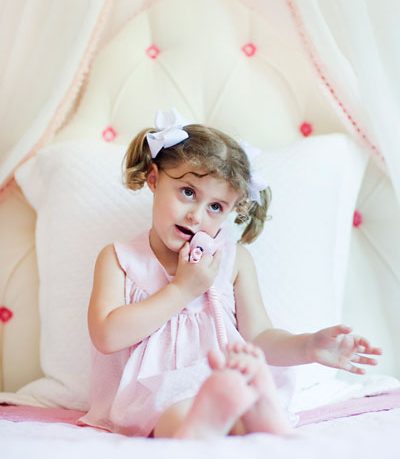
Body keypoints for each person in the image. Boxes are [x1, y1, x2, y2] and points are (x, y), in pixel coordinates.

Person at [78, 109, 382, 439]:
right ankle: (209, 421)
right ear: (154, 179)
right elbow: (107, 336)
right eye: (188, 192)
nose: (196, 216)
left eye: (216, 207)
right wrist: (182, 289)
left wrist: (308, 347)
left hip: (224, 377)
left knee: (240, 392)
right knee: (176, 412)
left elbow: (260, 337)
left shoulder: (234, 262)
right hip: (155, 395)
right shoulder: (119, 259)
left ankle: (252, 416)